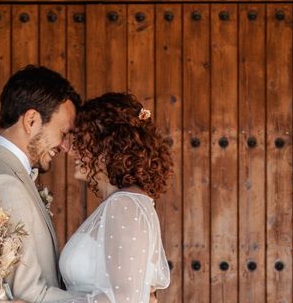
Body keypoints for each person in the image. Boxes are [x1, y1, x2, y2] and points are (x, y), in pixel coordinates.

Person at [11, 92, 173, 303]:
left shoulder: (125, 205)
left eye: (81, 139)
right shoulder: (122, 203)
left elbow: (122, 300)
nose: (71, 149)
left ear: (108, 146)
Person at [0, 65, 82, 302]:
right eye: (63, 132)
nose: (66, 146)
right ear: (31, 120)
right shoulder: (4, 183)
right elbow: (29, 294)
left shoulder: (0, 172)